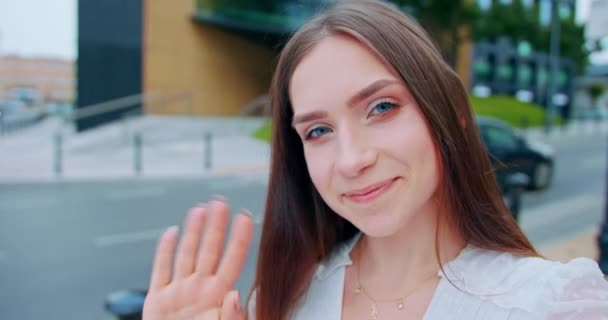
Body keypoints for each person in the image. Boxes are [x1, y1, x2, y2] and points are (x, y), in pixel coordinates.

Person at [142, 1, 608, 319]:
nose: (351, 159)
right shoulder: (286, 299)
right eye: (318, 131)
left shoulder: (551, 304)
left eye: (382, 107)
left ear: (452, 117)